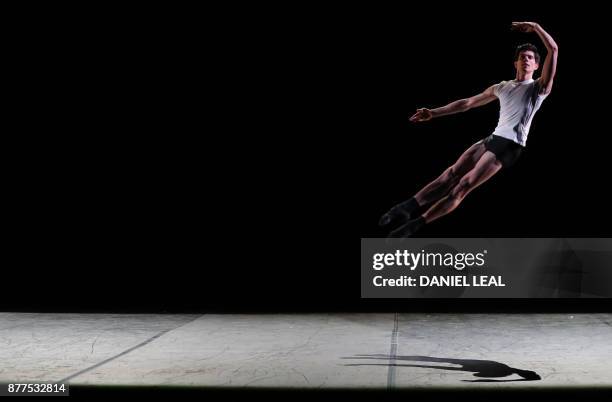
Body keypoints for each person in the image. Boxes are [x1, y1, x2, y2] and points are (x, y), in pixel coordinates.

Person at [380, 22, 558, 237]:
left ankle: (415, 224)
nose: (526, 59)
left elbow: (554, 49)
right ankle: (405, 209)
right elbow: (467, 103)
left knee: (463, 185)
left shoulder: (538, 88)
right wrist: (434, 113)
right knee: (451, 174)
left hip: (511, 145)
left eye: (530, 58)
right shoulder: (502, 87)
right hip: (493, 137)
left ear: (537, 65)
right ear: (516, 62)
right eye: (523, 57)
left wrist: (536, 27)